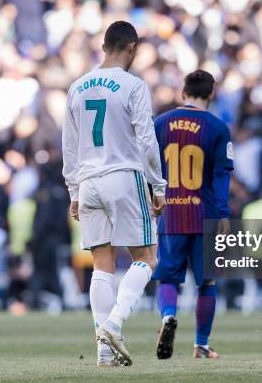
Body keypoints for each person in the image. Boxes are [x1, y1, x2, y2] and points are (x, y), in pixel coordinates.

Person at [62, 21, 167, 367]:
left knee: (101, 266)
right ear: (133, 48)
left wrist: (74, 191)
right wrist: (159, 185)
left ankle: (104, 351)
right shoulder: (133, 85)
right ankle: (114, 323)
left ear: (104, 46)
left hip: (88, 181)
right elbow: (147, 140)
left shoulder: (77, 88)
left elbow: (69, 148)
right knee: (146, 257)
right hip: (123, 176)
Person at [153, 70, 234, 360]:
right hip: (205, 215)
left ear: (182, 91)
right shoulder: (218, 127)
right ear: (211, 94)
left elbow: (148, 166)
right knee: (208, 282)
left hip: (172, 213)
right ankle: (200, 344)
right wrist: (223, 214)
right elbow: (222, 174)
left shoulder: (160, 123)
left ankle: (168, 317)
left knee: (168, 278)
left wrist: (153, 199)